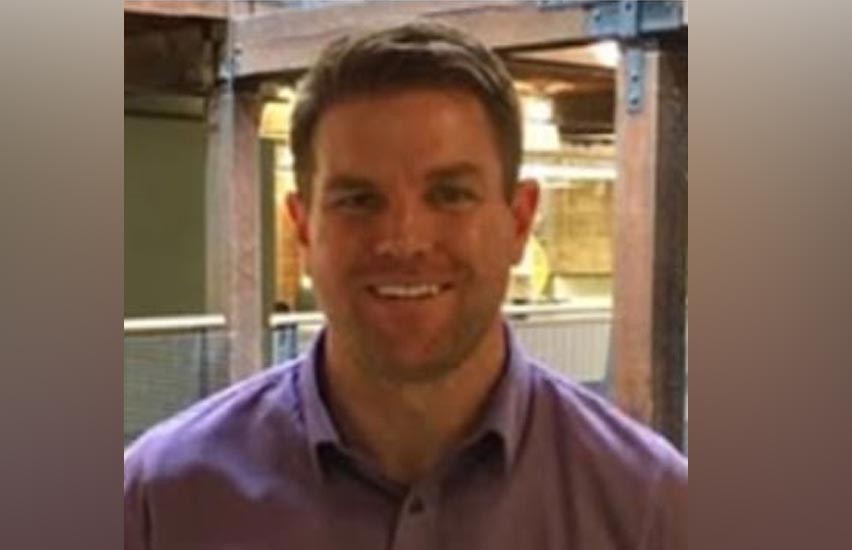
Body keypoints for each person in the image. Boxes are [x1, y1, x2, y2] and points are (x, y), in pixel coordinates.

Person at [124, 22, 687, 550]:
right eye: (358, 200)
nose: (403, 240)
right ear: (304, 228)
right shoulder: (163, 500)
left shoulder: (647, 509)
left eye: (449, 194)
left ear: (519, 222)